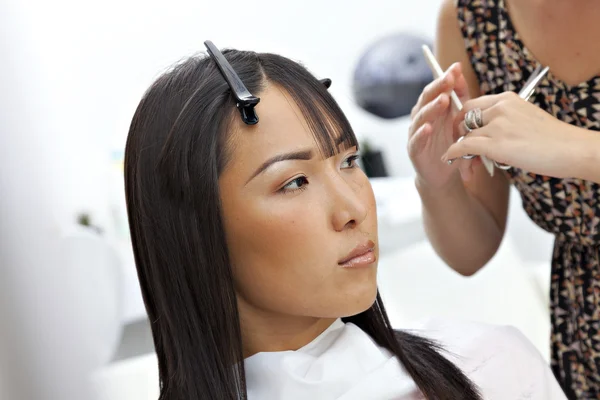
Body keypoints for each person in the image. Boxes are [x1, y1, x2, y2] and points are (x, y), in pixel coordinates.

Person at [124, 41, 565, 399]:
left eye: (349, 161)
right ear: (195, 228)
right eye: (294, 182)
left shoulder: (494, 367)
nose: (352, 210)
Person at [407, 0, 600, 398]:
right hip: (585, 324)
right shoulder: (474, 18)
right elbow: (471, 254)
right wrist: (437, 182)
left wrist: (575, 148)